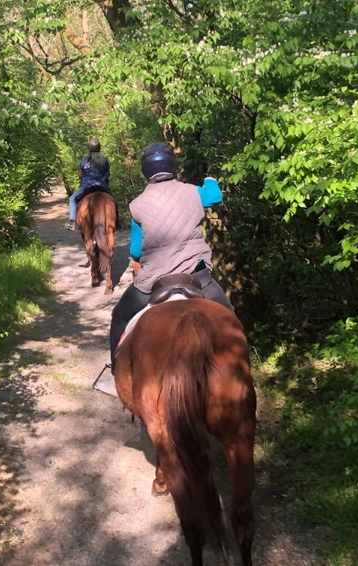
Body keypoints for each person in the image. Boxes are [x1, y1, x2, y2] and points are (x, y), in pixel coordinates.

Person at [93, 142, 234, 396]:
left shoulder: (137, 204)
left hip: (154, 281)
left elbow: (136, 251)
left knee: (120, 317)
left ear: (145, 171)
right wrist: (211, 180)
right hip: (197, 276)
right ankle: (237, 375)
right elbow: (216, 196)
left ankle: (117, 376)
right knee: (229, 317)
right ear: (173, 166)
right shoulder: (194, 192)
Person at [65, 139, 111, 231]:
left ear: (89, 148)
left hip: (86, 187)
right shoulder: (104, 160)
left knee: (72, 199)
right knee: (112, 200)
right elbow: (108, 173)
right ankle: (117, 220)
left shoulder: (84, 161)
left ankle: (72, 221)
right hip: (102, 186)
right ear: (99, 148)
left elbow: (80, 176)